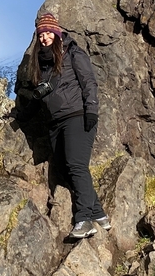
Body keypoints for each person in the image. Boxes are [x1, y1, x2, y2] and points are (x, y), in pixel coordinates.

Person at [19, 12, 110, 240]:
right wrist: (22, 115)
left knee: (76, 165)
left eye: (49, 33)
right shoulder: (41, 64)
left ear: (57, 34)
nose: (45, 37)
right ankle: (99, 213)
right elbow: (40, 96)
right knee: (64, 168)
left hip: (77, 116)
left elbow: (89, 82)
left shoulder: (73, 53)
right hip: (55, 122)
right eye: (41, 34)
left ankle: (84, 219)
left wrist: (91, 111)